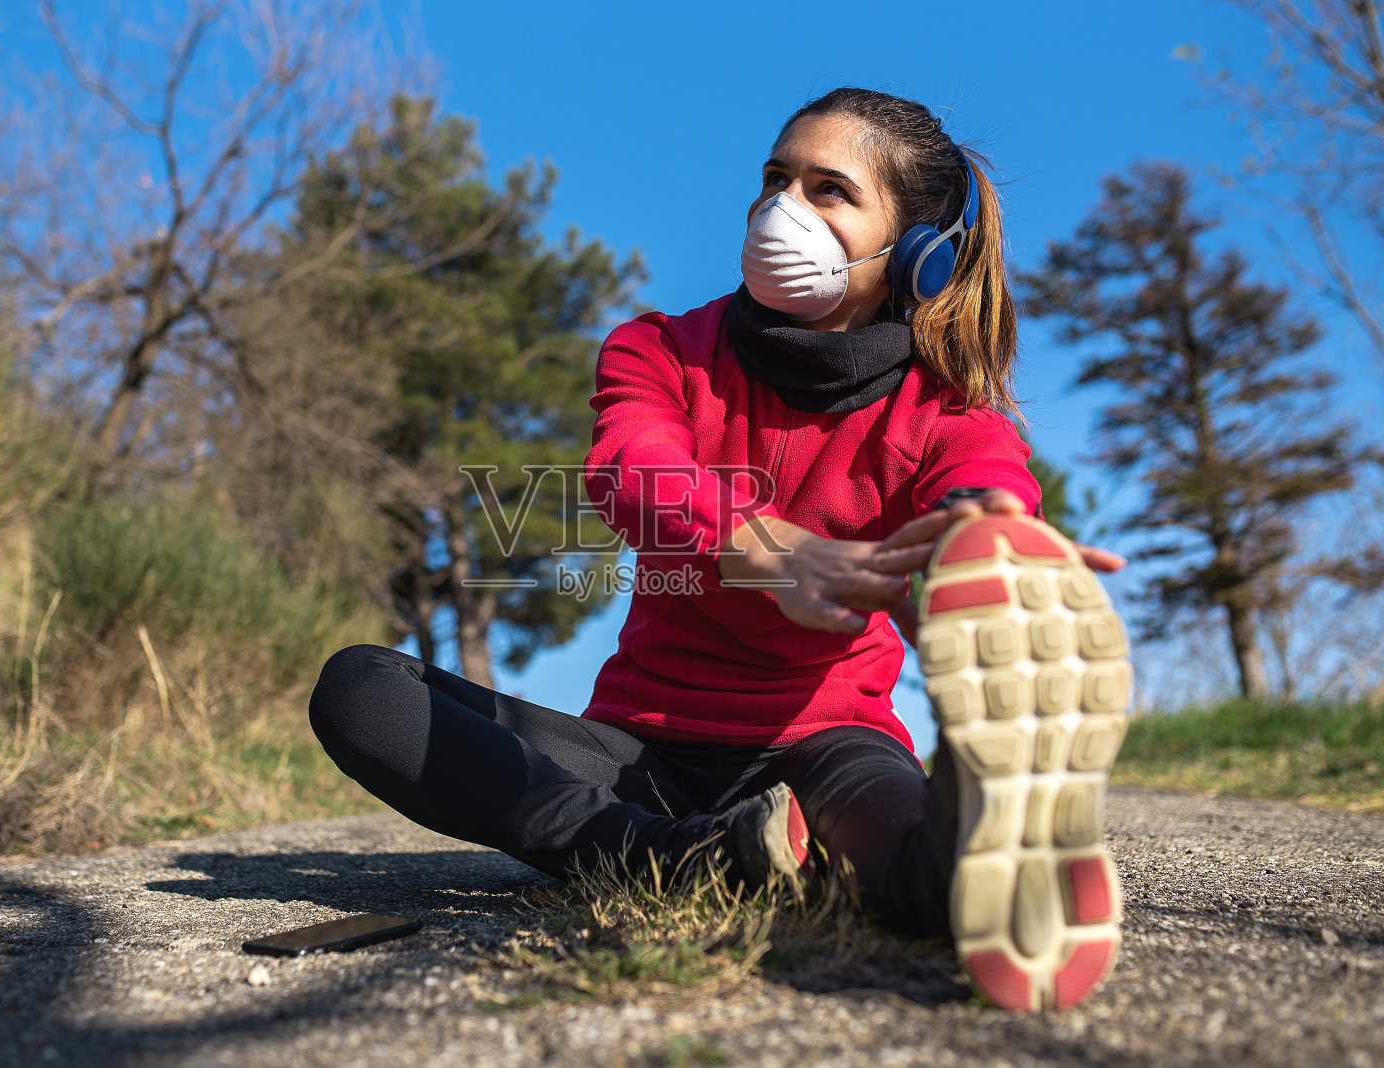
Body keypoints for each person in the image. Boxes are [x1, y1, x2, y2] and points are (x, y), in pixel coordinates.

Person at [307, 88, 1131, 1012]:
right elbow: (633, 471)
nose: (783, 207)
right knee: (361, 689)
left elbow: (984, 483)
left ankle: (985, 841)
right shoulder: (660, 349)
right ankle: (691, 857)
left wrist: (991, 543)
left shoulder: (947, 413)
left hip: (824, 745)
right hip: (636, 756)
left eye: (828, 189)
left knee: (913, 879)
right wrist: (771, 551)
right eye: (776, 179)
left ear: (916, 253)